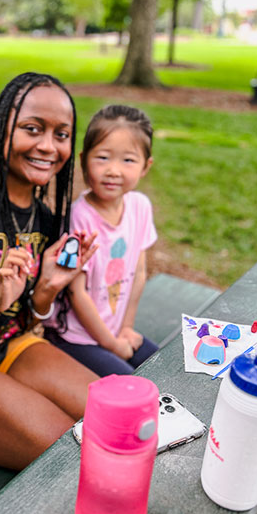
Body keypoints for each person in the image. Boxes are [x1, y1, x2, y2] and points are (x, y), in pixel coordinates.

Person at [0, 72, 98, 471]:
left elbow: (26, 319)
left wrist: (47, 287)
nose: (48, 146)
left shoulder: (47, 220)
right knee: (73, 455)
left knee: (117, 419)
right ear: (1, 128)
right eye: (33, 129)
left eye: (62, 134)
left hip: (13, 344)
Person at [45, 105, 158, 377]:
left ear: (146, 166)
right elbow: (76, 293)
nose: (113, 171)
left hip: (116, 329)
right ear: (83, 160)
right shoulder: (78, 218)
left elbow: (139, 272)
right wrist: (112, 344)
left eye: (128, 160)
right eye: (103, 157)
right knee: (133, 383)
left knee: (163, 364)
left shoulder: (140, 207)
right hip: (75, 337)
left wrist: (126, 328)